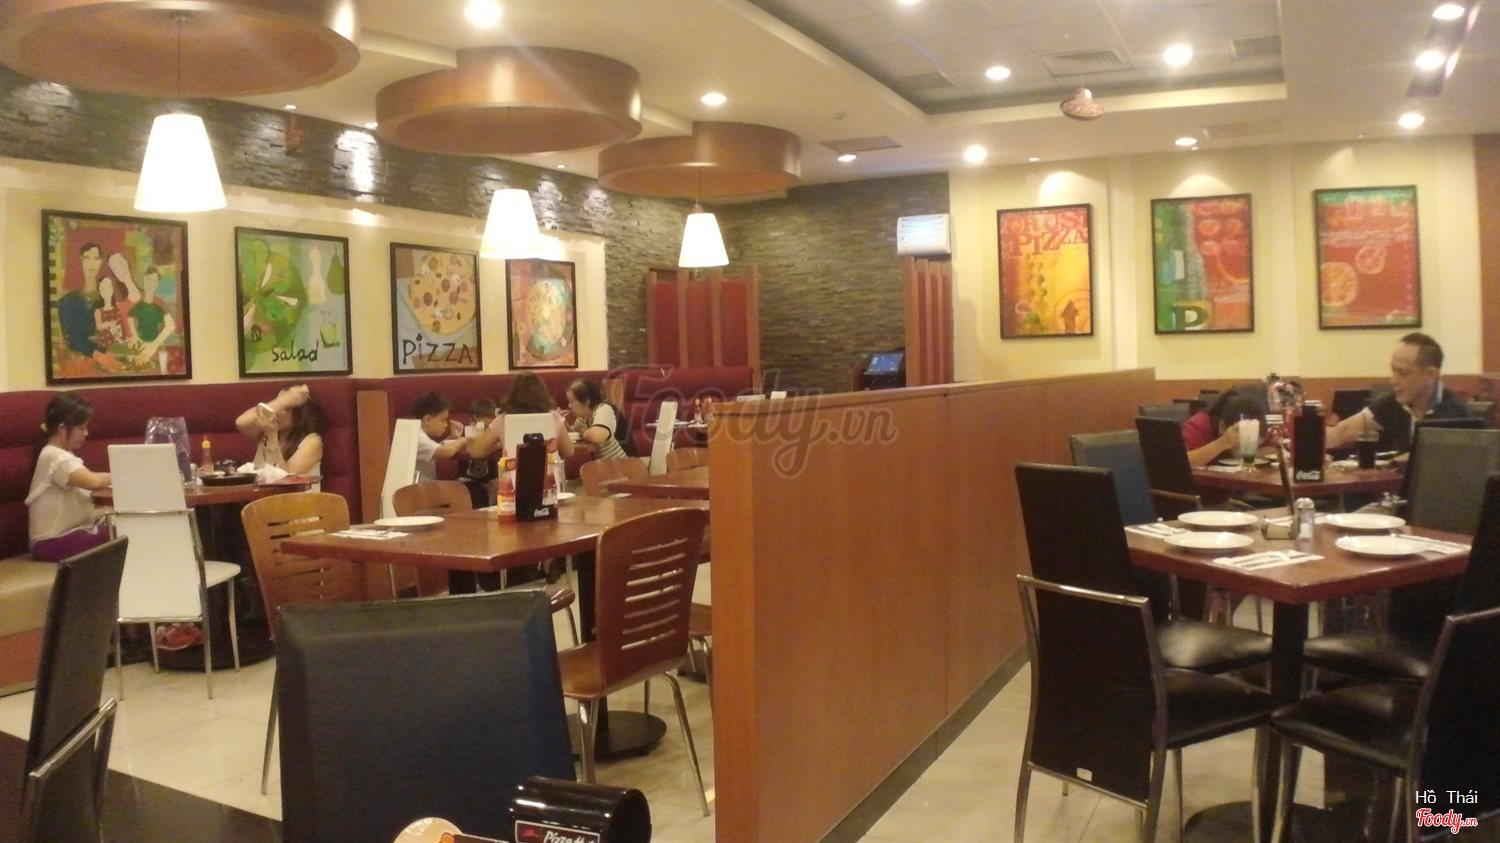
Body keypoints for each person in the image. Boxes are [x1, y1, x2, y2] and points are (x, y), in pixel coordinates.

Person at [1325, 332, 1469, 453]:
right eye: (1393, 371)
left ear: (1430, 375)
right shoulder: (1394, 402)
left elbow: (1429, 462)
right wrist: (1313, 440)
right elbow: (1342, 432)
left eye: (1403, 373)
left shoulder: (1456, 416)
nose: (1393, 381)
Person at [27, 392, 111, 562]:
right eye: (82, 428)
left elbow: (78, 513)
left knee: (120, 525)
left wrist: (110, 512)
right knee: (122, 534)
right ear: (62, 428)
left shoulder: (63, 455)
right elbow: (93, 481)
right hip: (51, 544)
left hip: (61, 539)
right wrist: (122, 473)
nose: (86, 433)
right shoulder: (55, 457)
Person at [466, 372, 574, 462]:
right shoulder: (553, 417)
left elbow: (476, 452)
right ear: (542, 394)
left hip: (512, 479)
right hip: (549, 478)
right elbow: (569, 451)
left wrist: (499, 444)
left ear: (512, 394)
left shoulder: (503, 420)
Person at [235, 382, 324, 479]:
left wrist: (272, 436)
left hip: (294, 489)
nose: (277, 412)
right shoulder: (265, 430)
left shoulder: (312, 441)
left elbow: (286, 479)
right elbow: (241, 423)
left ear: (302, 413)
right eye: (277, 407)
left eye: (287, 408)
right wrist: (281, 402)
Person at [1182, 388, 1268, 467]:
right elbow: (1180, 463)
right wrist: (1222, 443)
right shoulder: (1199, 425)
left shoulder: (1259, 427)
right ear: (1222, 427)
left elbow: (1270, 449)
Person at [565, 378, 630, 461]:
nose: (569, 406)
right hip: (605, 465)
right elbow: (574, 435)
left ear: (586, 401)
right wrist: (562, 422)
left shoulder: (604, 409)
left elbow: (597, 437)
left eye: (571, 401)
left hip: (625, 464)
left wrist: (583, 433)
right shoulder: (584, 417)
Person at [411, 392, 469, 483]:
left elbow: (435, 449)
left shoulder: (420, 434)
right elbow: (445, 452)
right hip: (418, 487)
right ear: (428, 420)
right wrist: (465, 439)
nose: (446, 425)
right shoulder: (417, 437)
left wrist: (452, 437)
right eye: (443, 420)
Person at [461, 397, 500, 508]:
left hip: (491, 481)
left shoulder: (496, 439)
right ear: (472, 421)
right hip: (467, 479)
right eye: (485, 428)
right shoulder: (466, 435)